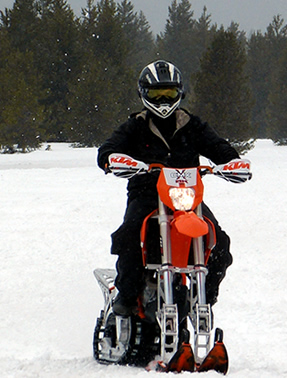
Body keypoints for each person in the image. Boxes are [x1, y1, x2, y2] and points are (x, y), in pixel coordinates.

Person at [97, 60, 250, 316]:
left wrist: (232, 163)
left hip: (187, 200)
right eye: (157, 94)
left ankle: (202, 300)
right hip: (147, 195)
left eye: (169, 93)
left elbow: (220, 148)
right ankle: (127, 296)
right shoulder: (135, 126)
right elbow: (108, 149)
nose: (163, 100)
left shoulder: (192, 125)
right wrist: (114, 160)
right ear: (144, 94)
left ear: (179, 93)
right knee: (131, 235)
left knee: (219, 243)